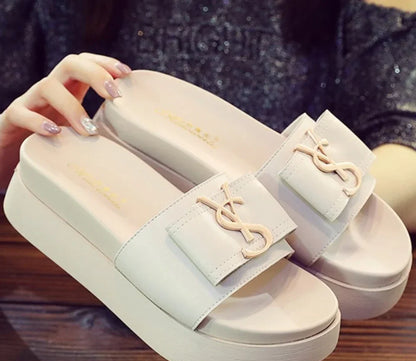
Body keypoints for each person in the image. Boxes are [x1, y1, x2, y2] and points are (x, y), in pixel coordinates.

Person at [0, 0, 415, 231]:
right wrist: (8, 148)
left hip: (274, 289)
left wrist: (272, 224)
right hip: (79, 273)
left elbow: (406, 146)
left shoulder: (353, 13)